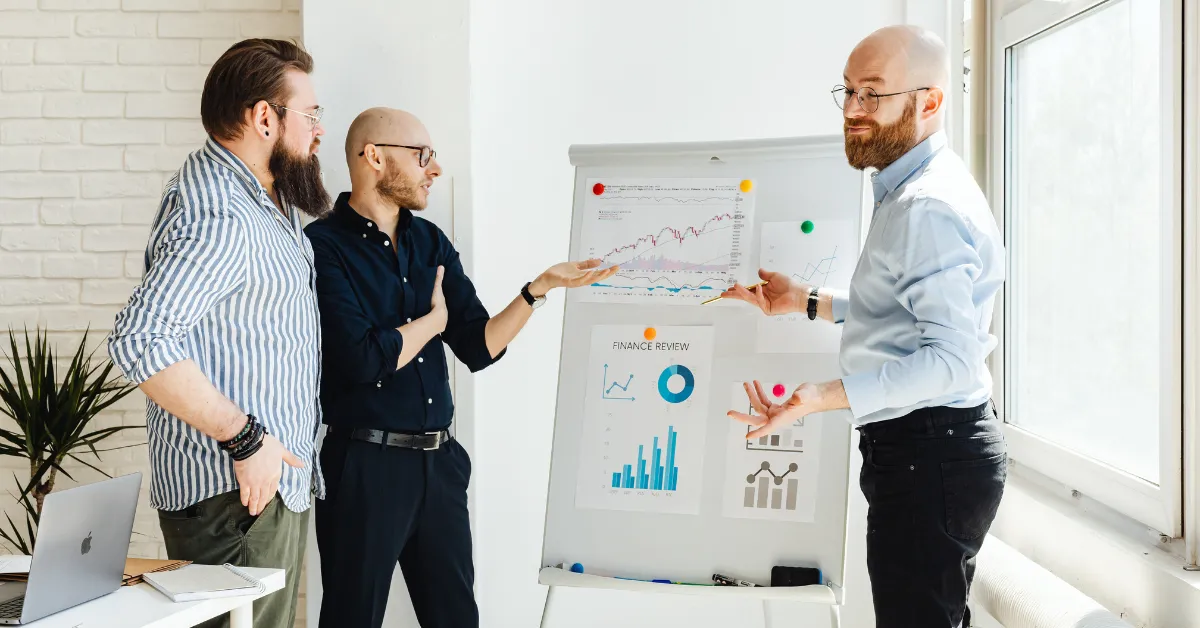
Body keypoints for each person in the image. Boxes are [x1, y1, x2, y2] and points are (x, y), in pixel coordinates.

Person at [721, 25, 1006, 628]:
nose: (853, 110)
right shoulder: (908, 189)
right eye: (848, 91)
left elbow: (952, 360)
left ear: (929, 102)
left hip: (930, 455)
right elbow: (900, 312)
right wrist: (806, 301)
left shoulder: (925, 205)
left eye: (873, 93)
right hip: (930, 453)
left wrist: (821, 398)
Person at [306, 107, 617, 628]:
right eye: (422, 155)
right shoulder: (322, 246)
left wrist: (538, 289)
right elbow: (362, 359)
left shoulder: (430, 241)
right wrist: (431, 323)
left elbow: (478, 346)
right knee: (351, 619)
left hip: (439, 464)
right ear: (374, 157)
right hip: (364, 465)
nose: (434, 168)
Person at [107, 38, 330, 628]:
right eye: (310, 115)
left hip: (256, 494)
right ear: (264, 118)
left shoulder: (260, 193)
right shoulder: (221, 211)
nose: (318, 131)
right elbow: (141, 339)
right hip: (235, 498)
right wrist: (246, 440)